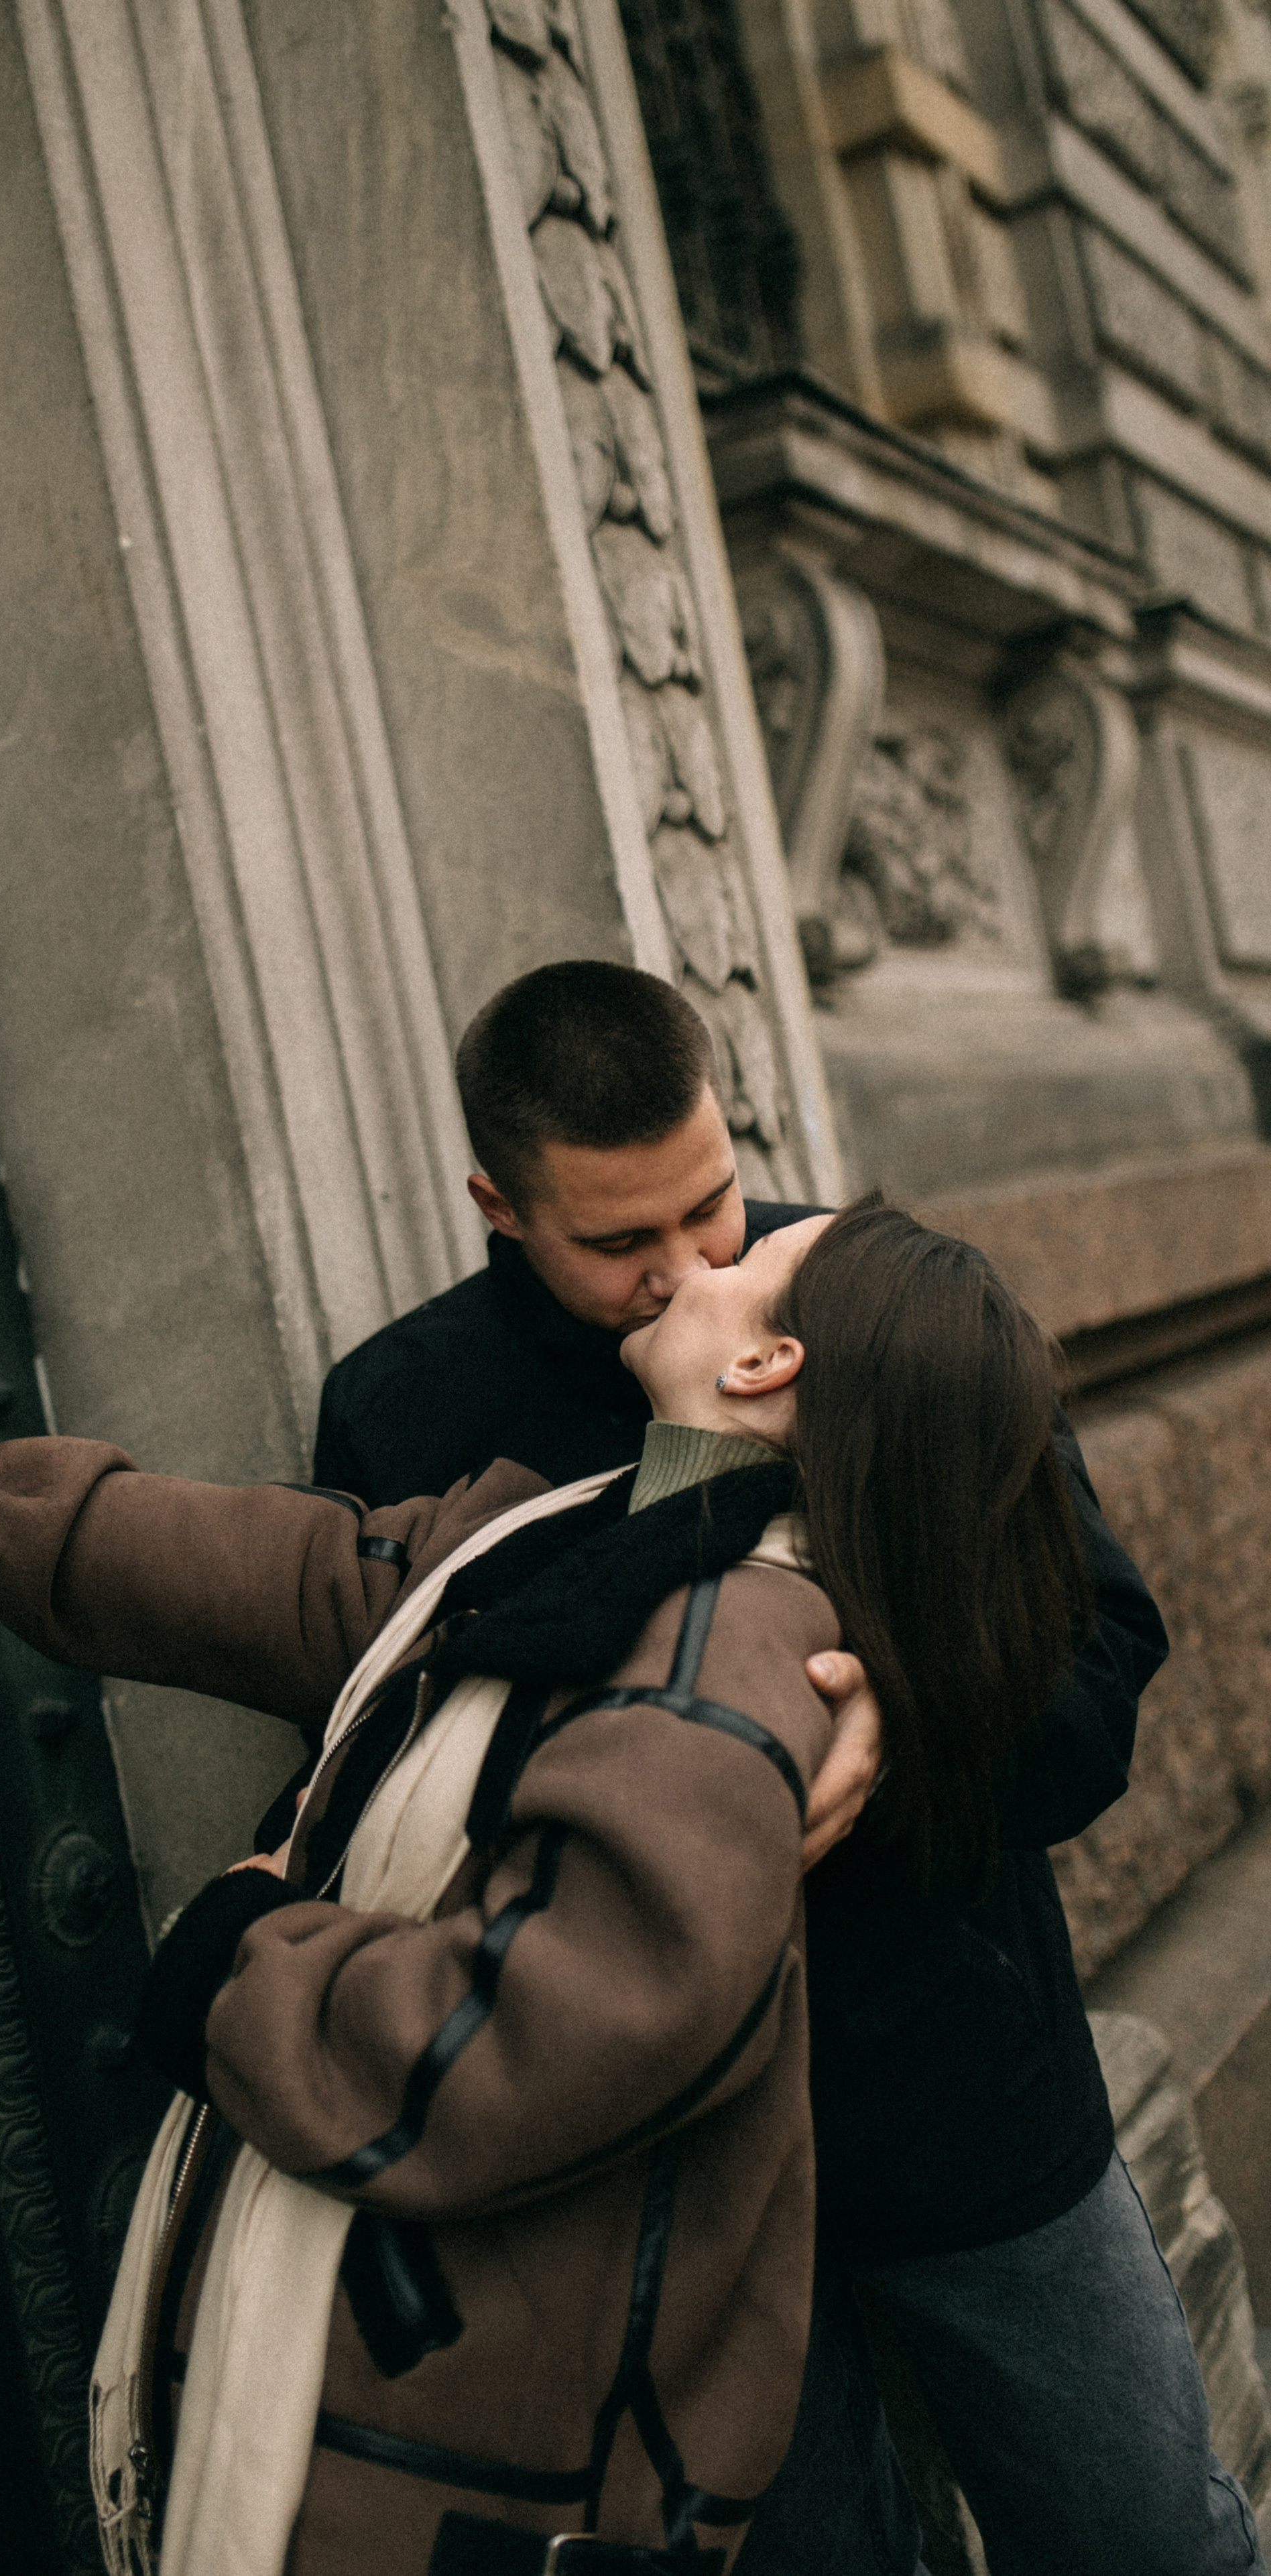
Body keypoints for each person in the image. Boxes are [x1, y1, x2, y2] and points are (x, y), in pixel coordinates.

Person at [0, 1204, 1099, 2576]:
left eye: (746, 1260)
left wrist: (239, 1963)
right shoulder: (596, 1529)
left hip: (448, 2472)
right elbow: (288, 1568)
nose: (699, 1262)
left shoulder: (725, 1646)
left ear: (763, 1365)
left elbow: (545, 2024)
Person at [313, 962, 1243, 2576]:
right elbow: (416, 1792)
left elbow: (1099, 1670)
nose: (684, 1278)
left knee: (1151, 2545)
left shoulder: (871, 1297)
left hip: (975, 2111)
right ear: (495, 1204)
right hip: (676, 2189)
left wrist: (903, 1720)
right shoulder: (400, 1410)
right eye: (619, 1244)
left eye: (710, 1209)